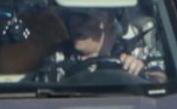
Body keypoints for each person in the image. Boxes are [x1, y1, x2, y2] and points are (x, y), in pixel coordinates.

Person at [39, 5, 167, 84]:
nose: (75, 24)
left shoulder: (137, 50)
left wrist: (141, 71)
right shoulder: (57, 55)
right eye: (73, 17)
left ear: (108, 20)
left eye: (84, 17)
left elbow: (161, 84)